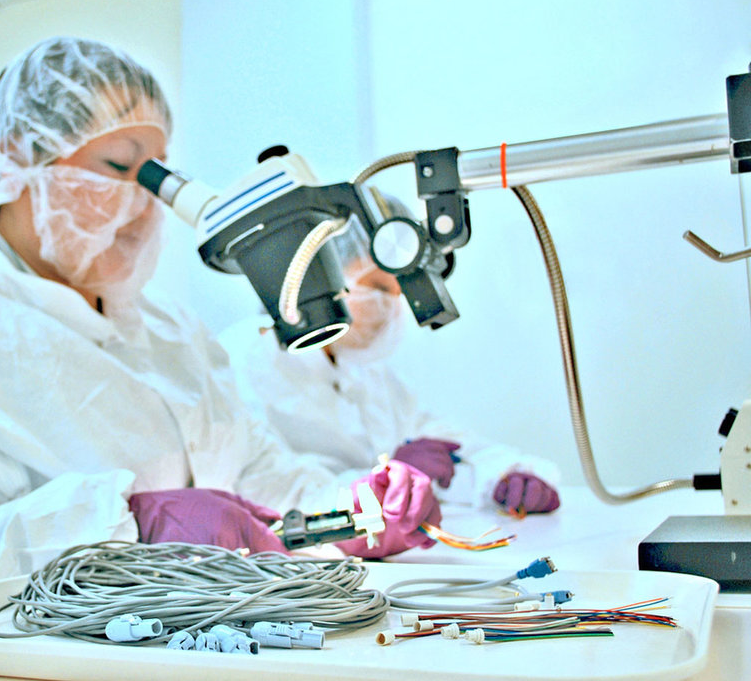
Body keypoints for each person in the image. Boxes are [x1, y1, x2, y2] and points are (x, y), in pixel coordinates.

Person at [0, 37, 438, 617]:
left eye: (158, 173)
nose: (145, 200)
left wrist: (351, 513)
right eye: (120, 166)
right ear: (21, 159)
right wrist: (121, 526)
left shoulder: (172, 332)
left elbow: (259, 478)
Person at [218, 219, 561, 516]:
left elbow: (446, 443)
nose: (390, 308)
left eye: (398, 292)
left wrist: (506, 476)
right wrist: (384, 481)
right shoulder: (244, 361)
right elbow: (263, 494)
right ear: (318, 274)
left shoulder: (363, 370)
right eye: (378, 288)